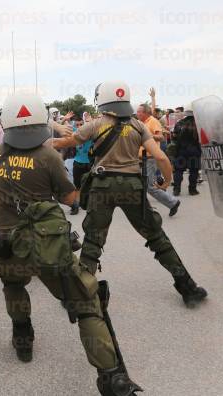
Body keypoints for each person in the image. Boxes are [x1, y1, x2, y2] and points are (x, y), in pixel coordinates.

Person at [0, 93, 142, 396]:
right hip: (45, 247)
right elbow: (70, 198)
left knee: (13, 286)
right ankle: (110, 377)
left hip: (4, 245)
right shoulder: (49, 156)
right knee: (86, 304)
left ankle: (23, 336)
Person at [53, 80, 207, 307]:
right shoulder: (138, 125)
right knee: (156, 237)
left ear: (102, 100)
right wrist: (166, 182)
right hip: (132, 187)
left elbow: (68, 141)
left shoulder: (96, 124)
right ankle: (187, 287)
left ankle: (80, 294)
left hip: (102, 186)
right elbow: (162, 158)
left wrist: (47, 141)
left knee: (93, 241)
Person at [136, 102, 181, 216]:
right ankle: (142, 207)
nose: (137, 113)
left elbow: (161, 137)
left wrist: (147, 136)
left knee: (149, 187)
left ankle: (173, 202)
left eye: (139, 111)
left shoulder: (153, 121)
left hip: (150, 158)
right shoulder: (140, 123)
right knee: (139, 183)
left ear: (145, 113)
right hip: (140, 158)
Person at [171, 104, 201, 196]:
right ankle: (192, 190)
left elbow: (174, 137)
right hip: (194, 151)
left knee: (178, 171)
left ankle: (176, 190)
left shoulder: (179, 123)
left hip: (181, 150)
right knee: (194, 171)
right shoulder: (198, 124)